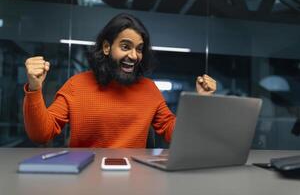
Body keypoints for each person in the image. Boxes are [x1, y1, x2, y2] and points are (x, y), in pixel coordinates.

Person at [23, 13, 216, 148]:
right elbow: (42, 134)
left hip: (135, 179)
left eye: (139, 49)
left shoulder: (149, 89)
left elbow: (176, 135)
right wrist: (34, 87)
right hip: (85, 179)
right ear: (107, 47)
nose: (134, 55)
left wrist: (202, 101)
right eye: (125, 46)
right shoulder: (76, 85)